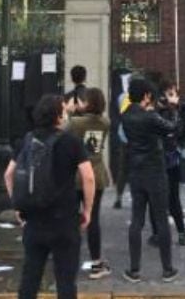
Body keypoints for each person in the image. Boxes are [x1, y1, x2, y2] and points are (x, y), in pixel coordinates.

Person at [6, 94, 95, 299]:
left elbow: (8, 174)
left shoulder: (26, 141)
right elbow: (88, 177)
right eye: (63, 109)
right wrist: (87, 210)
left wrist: (17, 205)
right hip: (64, 220)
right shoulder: (71, 141)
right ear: (58, 116)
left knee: (30, 277)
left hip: (34, 219)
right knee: (65, 280)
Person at [121, 78, 181, 283]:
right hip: (155, 173)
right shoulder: (150, 117)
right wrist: (173, 106)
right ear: (146, 95)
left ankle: (134, 270)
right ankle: (167, 269)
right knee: (161, 219)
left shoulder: (126, 116)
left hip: (136, 173)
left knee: (137, 220)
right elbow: (172, 127)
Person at [68, 87, 112, 280]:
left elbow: (64, 134)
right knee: (92, 218)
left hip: (75, 175)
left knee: (72, 218)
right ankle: (96, 263)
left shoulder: (75, 123)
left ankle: (69, 262)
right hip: (97, 174)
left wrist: (71, 111)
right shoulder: (105, 122)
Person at [148, 80, 185, 247]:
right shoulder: (166, 113)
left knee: (160, 198)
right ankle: (179, 234)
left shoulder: (157, 112)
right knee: (170, 198)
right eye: (171, 93)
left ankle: (158, 235)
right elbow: (177, 132)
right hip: (167, 160)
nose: (175, 97)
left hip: (163, 160)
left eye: (175, 93)